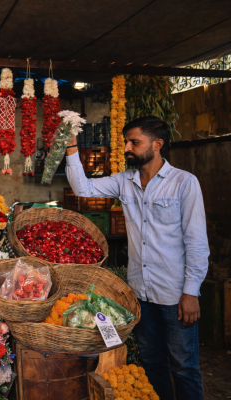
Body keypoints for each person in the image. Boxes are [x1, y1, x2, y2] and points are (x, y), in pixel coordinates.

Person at [65, 116, 208, 400]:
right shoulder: (124, 181)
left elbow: (196, 242)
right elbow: (83, 189)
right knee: (152, 362)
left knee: (183, 367)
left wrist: (191, 292)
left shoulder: (183, 183)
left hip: (173, 294)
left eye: (135, 142)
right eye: (126, 142)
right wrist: (70, 148)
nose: (128, 147)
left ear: (157, 144)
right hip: (139, 294)